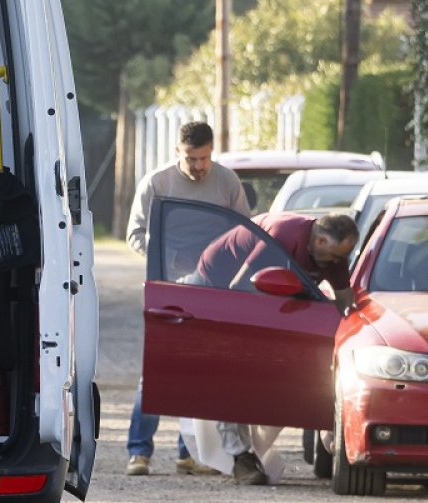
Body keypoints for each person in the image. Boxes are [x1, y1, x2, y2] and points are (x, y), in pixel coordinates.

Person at [192, 211, 359, 484]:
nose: (337, 263)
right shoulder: (282, 238)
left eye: (342, 257)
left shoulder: (335, 255)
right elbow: (240, 290)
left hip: (266, 289)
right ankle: (239, 457)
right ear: (319, 241)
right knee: (231, 368)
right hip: (218, 284)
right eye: (334, 256)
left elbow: (344, 302)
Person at [124, 121, 250, 477]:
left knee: (200, 371)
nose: (199, 166)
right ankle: (139, 452)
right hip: (168, 288)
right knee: (156, 371)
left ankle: (188, 453)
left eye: (205, 158)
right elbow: (135, 234)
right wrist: (166, 257)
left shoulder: (227, 182)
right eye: (192, 159)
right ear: (177, 152)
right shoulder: (157, 183)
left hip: (213, 291)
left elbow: (244, 232)